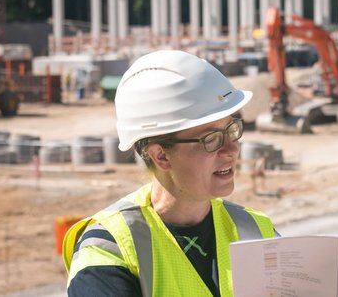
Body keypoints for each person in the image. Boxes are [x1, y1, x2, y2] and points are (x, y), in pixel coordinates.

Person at [62, 50, 277, 297]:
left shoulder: (256, 231)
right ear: (161, 156)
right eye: (211, 139)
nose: (231, 148)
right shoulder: (109, 249)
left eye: (231, 130)